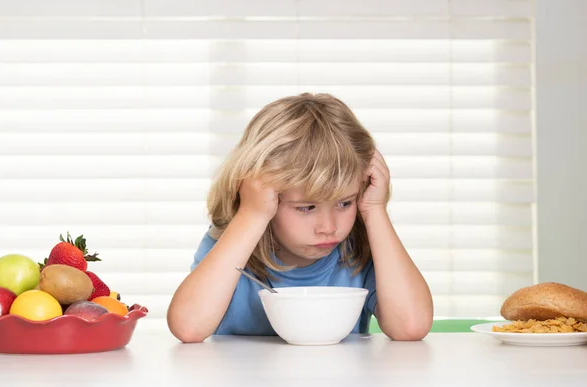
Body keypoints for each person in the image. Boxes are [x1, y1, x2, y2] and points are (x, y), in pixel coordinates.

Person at [167, 93, 433, 343]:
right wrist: (252, 213)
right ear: (261, 194)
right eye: (306, 208)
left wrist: (375, 209)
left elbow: (410, 327)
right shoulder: (231, 241)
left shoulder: (360, 246)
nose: (329, 228)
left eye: (344, 202)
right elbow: (189, 327)